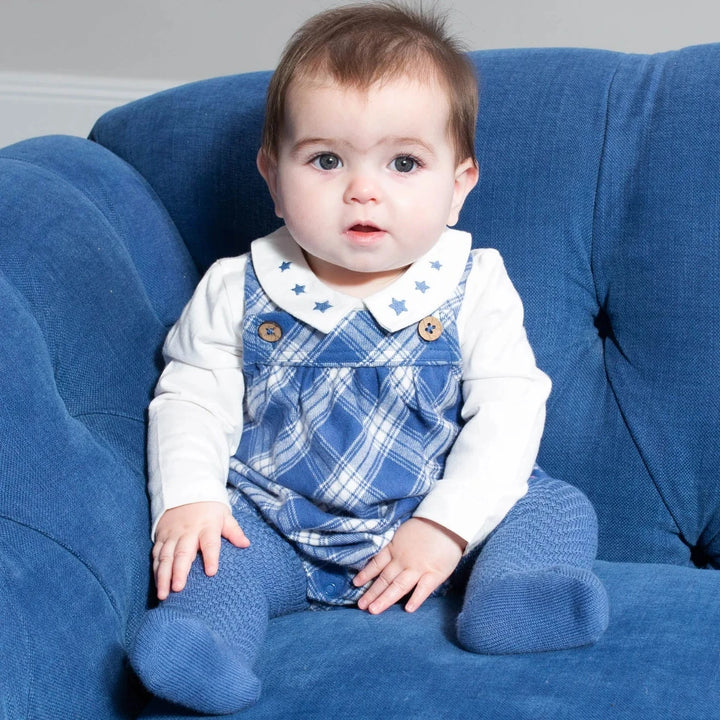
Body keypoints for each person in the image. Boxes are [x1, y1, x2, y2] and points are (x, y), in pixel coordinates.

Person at [130, 2, 609, 714]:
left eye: (405, 162)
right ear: (271, 175)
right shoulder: (238, 287)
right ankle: (206, 640)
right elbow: (190, 394)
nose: (363, 189)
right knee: (209, 550)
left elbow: (508, 412)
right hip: (280, 523)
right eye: (326, 159)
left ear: (460, 183)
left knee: (553, 504)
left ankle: (518, 592)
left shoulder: (474, 284)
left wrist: (445, 528)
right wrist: (188, 497)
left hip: (442, 519)